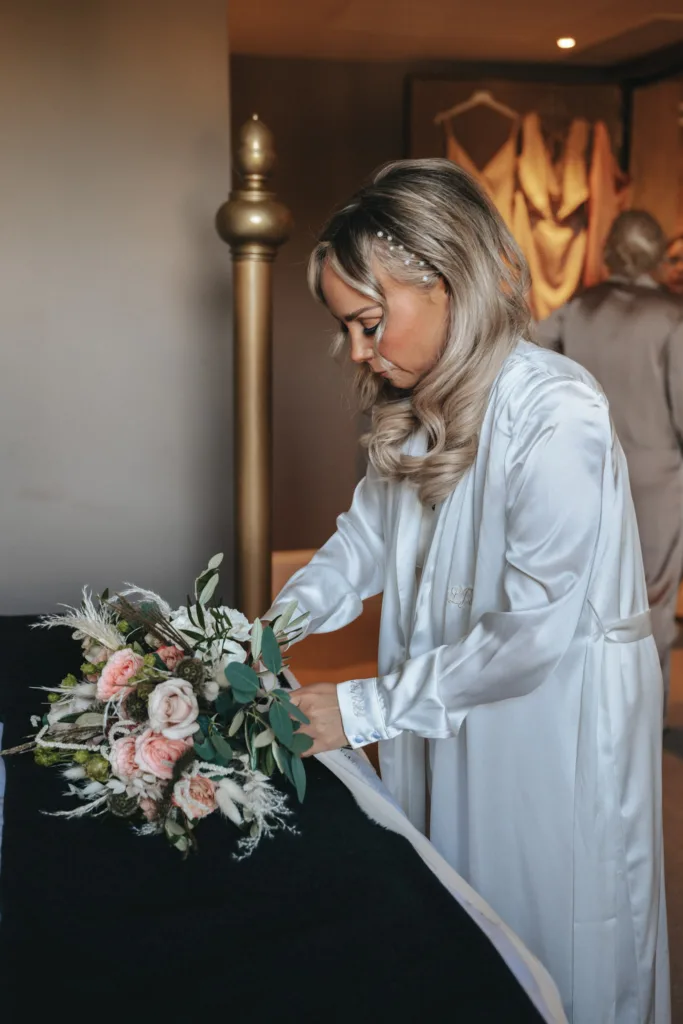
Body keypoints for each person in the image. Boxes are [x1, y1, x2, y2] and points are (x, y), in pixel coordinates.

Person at [266, 161, 669, 1022]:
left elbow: (530, 632)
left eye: (368, 323)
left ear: (443, 280)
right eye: (348, 331)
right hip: (438, 694)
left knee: (550, 921)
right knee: (452, 908)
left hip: (550, 719)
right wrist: (264, 632)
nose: (359, 352)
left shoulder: (558, 411)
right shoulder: (414, 402)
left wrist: (360, 710)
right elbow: (360, 546)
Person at [536, 210, 683, 720]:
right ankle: (642, 718)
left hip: (586, 471)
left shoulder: (580, 306)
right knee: (651, 608)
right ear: (658, 254)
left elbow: (530, 355)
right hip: (657, 484)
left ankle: (585, 713)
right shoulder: (673, 315)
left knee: (589, 600)